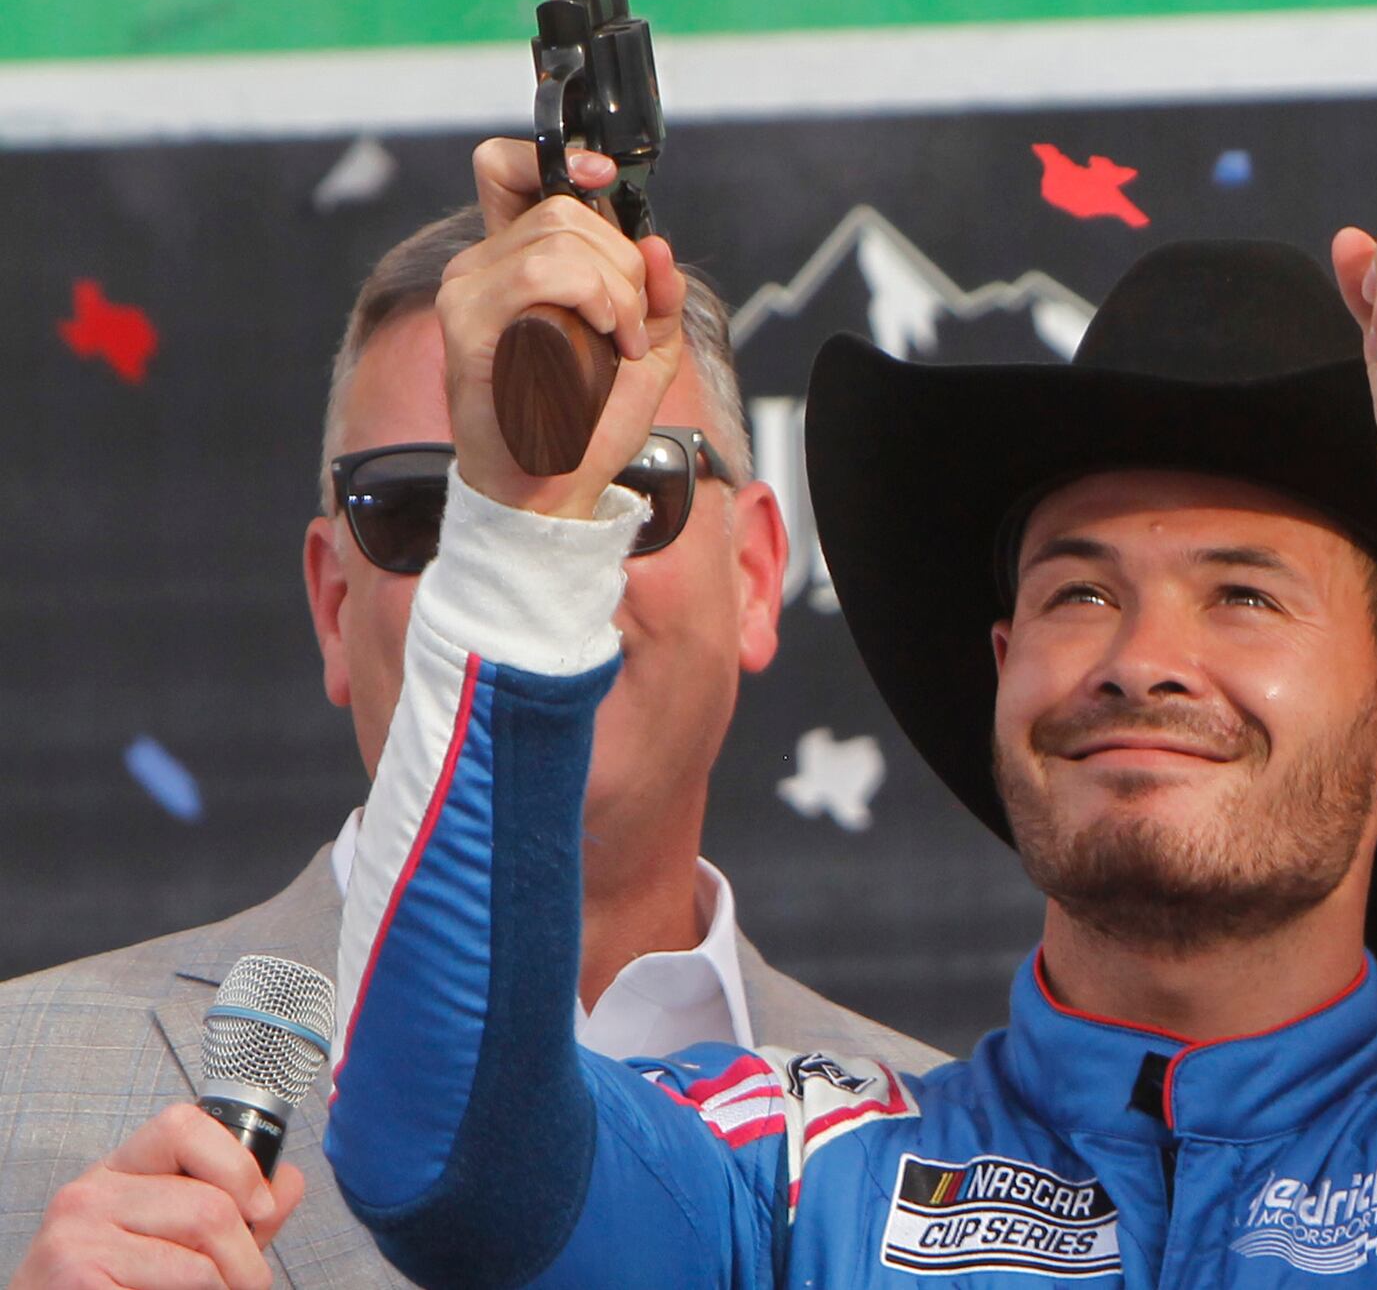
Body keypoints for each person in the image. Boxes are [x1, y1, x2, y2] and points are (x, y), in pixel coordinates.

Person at [323, 139, 1377, 1286]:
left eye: (1242, 594)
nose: (1139, 658)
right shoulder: (781, 1170)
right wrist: (519, 532)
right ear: (1001, 665)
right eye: (1078, 592)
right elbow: (443, 1157)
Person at [1, 203, 942, 1290]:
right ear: (331, 603)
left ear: (756, 573)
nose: (534, 567)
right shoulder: (22, 1080)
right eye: (428, 510)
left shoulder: (951, 1152)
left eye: (624, 490)